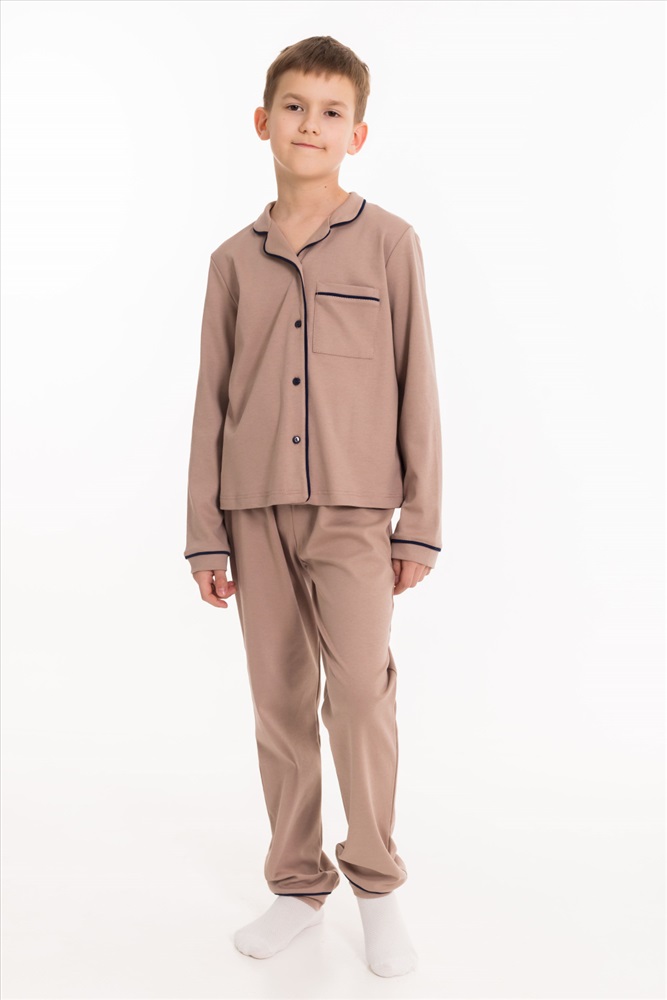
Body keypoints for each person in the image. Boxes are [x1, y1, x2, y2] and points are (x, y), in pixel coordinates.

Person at [183, 35, 442, 979]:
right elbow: (211, 400)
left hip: (355, 510)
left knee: (362, 697)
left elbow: (418, 384)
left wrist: (419, 521)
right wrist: (205, 535)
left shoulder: (390, 243)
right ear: (263, 121)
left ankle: (376, 887)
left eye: (331, 112)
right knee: (280, 703)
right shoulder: (231, 261)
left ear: (357, 134)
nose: (309, 124)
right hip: (253, 510)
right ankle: (296, 886)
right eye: (293, 106)